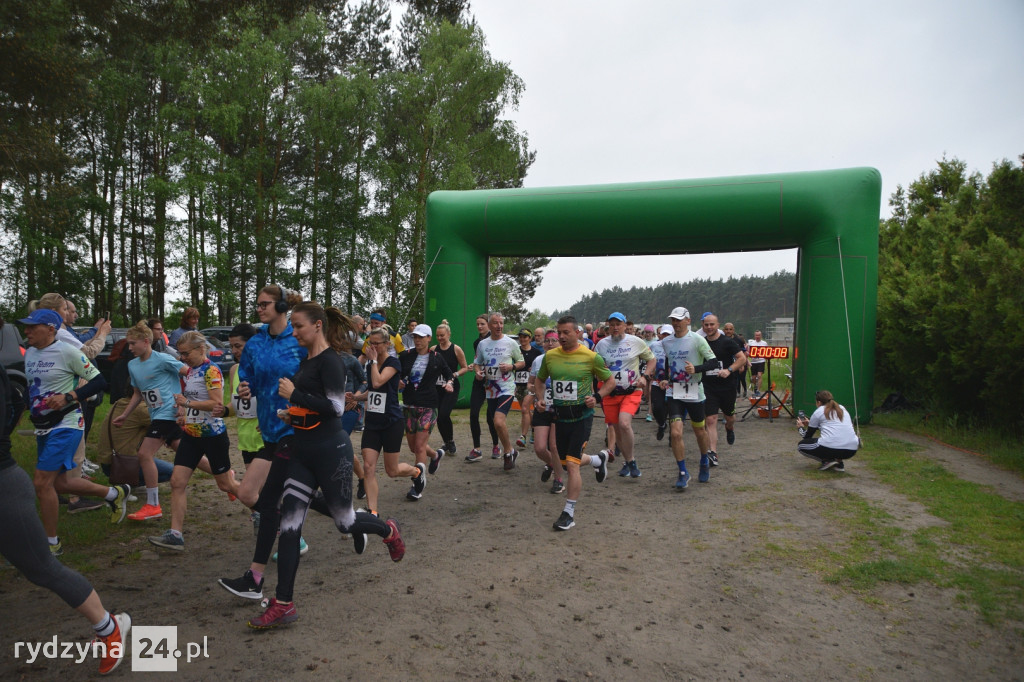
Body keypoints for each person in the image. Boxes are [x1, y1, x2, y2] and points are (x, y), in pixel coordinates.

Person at [247, 303, 405, 629]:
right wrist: (292, 413)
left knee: (345, 522)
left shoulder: (331, 361)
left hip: (332, 451)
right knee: (289, 526)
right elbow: (311, 407)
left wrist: (296, 395)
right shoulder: (306, 363)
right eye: (291, 326)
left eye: (299, 326)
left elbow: (335, 408)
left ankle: (387, 530)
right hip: (303, 451)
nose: (294, 332)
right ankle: (284, 603)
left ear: (317, 326)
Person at [0, 360, 131, 675]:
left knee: (41, 567)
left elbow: (97, 380)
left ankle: (108, 626)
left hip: (5, 485)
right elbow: (19, 401)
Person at [218, 285, 309, 601]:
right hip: (268, 432)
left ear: (282, 305)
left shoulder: (298, 342)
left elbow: (315, 377)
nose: (259, 308)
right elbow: (251, 380)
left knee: (270, 502)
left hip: (295, 431)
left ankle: (255, 579)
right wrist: (246, 388)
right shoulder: (255, 343)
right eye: (256, 304)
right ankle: (363, 523)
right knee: (247, 493)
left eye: (265, 304)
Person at [20, 309, 129, 554]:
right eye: (25, 327)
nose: (26, 331)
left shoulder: (67, 352)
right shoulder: (30, 354)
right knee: (58, 483)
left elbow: (100, 381)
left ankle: (51, 544)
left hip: (66, 423)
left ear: (50, 329)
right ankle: (114, 493)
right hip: (43, 427)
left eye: (31, 327)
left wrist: (69, 396)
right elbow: (33, 389)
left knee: (41, 482)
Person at [147, 332, 240, 550]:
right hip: (190, 435)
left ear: (201, 349)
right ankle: (175, 535)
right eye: (180, 353)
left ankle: (259, 510)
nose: (182, 357)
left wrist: (187, 403)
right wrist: (184, 414)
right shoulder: (190, 371)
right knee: (177, 482)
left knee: (225, 484)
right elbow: (194, 401)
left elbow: (217, 405)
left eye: (186, 353)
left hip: (212, 436)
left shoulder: (211, 371)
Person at [536, 316, 614, 531]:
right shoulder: (550, 357)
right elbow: (540, 380)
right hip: (560, 417)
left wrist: (597, 397)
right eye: (558, 332)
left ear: (577, 333)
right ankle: (598, 460)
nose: (560, 336)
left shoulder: (591, 357)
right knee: (565, 461)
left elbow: (610, 381)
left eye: (566, 333)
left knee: (571, 465)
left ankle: (568, 513)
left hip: (582, 416)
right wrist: (540, 398)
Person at [113, 322, 188, 521]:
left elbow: (191, 374)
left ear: (146, 342)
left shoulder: (163, 359)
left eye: (132, 344)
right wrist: (126, 414)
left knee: (144, 453)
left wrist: (185, 402)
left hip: (168, 413)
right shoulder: (133, 364)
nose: (129, 348)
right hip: (157, 414)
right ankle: (227, 476)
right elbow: (138, 393)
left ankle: (153, 504)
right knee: (187, 452)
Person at [354, 328, 413, 517]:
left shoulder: (393, 362)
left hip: (391, 421)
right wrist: (356, 398)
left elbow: (378, 382)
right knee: (369, 466)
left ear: (387, 344)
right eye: (370, 343)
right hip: (372, 423)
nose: (372, 347)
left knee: (392, 471)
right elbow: (373, 392)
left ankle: (417, 473)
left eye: (376, 343)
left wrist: (371, 362)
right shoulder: (371, 364)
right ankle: (373, 511)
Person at [659, 307, 720, 489]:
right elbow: (668, 362)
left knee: (700, 431)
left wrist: (696, 369)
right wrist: (664, 379)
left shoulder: (697, 340)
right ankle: (683, 472)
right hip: (675, 391)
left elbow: (713, 362)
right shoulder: (667, 341)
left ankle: (703, 460)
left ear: (688, 320)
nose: (676, 323)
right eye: (673, 320)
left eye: (679, 320)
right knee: (676, 432)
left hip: (694, 391)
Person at [594, 312, 655, 478]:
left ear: (624, 325)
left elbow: (652, 360)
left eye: (618, 324)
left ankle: (630, 460)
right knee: (616, 428)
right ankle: (630, 462)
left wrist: (645, 376)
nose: (614, 327)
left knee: (624, 423)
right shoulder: (601, 345)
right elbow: (595, 365)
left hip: (631, 391)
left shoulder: (635, 341)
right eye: (611, 324)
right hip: (610, 393)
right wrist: (598, 374)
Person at [397, 323, 454, 500]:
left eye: (421, 337)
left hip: (429, 406)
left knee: (420, 446)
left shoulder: (436, 357)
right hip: (409, 405)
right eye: (415, 337)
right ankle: (435, 455)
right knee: (414, 447)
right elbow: (395, 373)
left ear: (429, 338)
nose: (418, 340)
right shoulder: (405, 356)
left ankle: (417, 484)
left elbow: (449, 374)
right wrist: (397, 381)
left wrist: (449, 383)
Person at [473, 312, 525, 470]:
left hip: (507, 389)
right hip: (490, 390)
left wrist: (512, 367)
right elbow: (477, 363)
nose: (499, 326)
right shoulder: (483, 344)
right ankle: (510, 451)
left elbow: (522, 362)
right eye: (495, 323)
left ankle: (508, 452)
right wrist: (478, 372)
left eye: (501, 323)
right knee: (498, 424)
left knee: (498, 421)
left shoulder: (510, 343)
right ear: (489, 325)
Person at [700, 314, 746, 466]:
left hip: (727, 387)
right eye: (706, 325)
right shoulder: (701, 342)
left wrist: (729, 370)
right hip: (708, 387)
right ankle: (712, 453)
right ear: (703, 326)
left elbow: (742, 358)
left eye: (712, 324)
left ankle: (730, 428)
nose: (709, 327)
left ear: (717, 324)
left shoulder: (727, 342)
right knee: (711, 420)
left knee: (729, 417)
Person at [531, 330, 565, 493]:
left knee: (554, 446)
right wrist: (538, 395)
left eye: (554, 340)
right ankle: (552, 464)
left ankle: (558, 479)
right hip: (542, 407)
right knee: (539, 447)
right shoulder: (538, 361)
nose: (550, 343)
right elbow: (531, 384)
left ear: (560, 343)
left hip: (560, 408)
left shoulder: (566, 359)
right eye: (547, 341)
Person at [431, 320, 470, 455]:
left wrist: (455, 374)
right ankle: (447, 442)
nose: (440, 338)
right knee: (439, 417)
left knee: (444, 414)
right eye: (438, 336)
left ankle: (450, 441)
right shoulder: (433, 349)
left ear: (448, 334)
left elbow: (465, 368)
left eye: (442, 335)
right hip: (437, 387)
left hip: (451, 386)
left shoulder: (456, 349)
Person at [797, 390, 860, 471]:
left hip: (831, 447)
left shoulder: (818, 411)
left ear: (818, 402)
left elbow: (807, 437)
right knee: (835, 441)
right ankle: (839, 464)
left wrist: (800, 428)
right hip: (852, 449)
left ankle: (828, 460)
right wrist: (813, 424)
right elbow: (834, 428)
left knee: (801, 446)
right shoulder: (842, 408)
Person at [465, 314, 496, 462]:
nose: (479, 327)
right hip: (479, 381)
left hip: (493, 382)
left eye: (482, 324)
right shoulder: (477, 342)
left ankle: (496, 445)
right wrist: (476, 368)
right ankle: (476, 449)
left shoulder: (496, 341)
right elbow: (478, 360)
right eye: (477, 324)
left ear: (489, 325)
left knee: (491, 418)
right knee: (473, 414)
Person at [514, 328, 542, 450]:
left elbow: (540, 368)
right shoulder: (516, 351)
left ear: (530, 339)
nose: (522, 339)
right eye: (520, 337)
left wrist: (534, 370)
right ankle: (534, 429)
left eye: (525, 337)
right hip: (518, 384)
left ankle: (523, 436)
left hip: (530, 385)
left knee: (525, 408)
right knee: (525, 410)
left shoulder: (536, 352)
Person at [722, 323, 748, 397]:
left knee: (739, 379)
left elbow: (743, 352)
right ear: (724, 330)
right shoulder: (721, 339)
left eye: (730, 329)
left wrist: (742, 364)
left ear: (733, 330)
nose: (728, 331)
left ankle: (742, 391)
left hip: (737, 364)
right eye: (726, 329)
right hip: (725, 364)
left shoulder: (738, 340)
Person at [748, 330, 768, 397]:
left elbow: (767, 352)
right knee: (754, 377)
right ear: (754, 336)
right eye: (756, 335)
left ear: (761, 336)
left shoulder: (764, 343)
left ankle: (758, 390)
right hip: (753, 362)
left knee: (759, 375)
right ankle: (755, 387)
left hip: (761, 361)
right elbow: (748, 353)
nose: (757, 336)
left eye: (759, 335)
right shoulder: (751, 343)